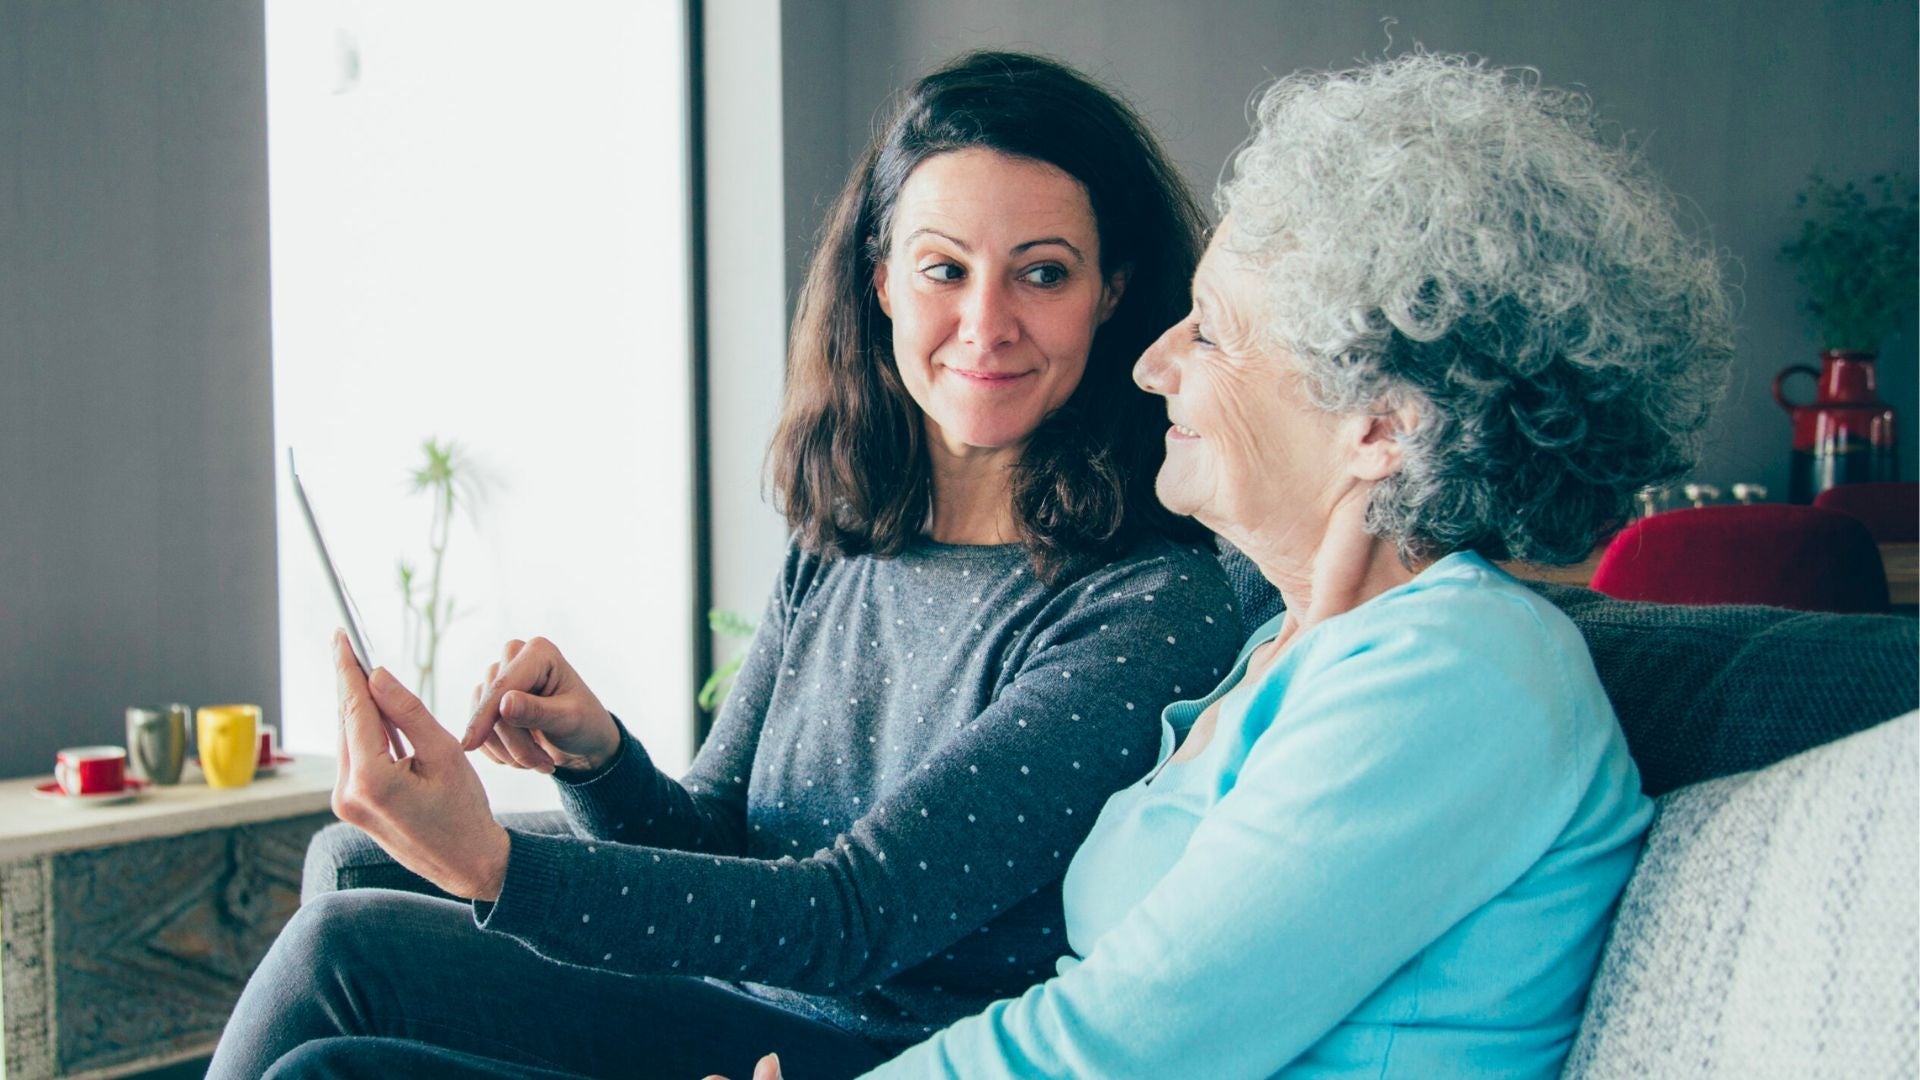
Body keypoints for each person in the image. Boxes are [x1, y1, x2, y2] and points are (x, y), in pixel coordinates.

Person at [206, 51, 1245, 1080]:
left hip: (877, 1044)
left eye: (1043, 272)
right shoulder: (844, 542)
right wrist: (598, 759)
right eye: (945, 269)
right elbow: (718, 844)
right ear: (880, 279)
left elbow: (853, 916)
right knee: (348, 868)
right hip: (738, 1000)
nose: (986, 322)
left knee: (338, 961)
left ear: (1113, 291)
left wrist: (492, 863)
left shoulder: (1145, 604)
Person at [728, 52, 1736, 1079]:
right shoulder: (1283, 644)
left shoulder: (1460, 672)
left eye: (1211, 335)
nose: (1152, 363)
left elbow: (1132, 1041)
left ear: (1380, 425)